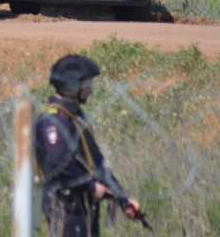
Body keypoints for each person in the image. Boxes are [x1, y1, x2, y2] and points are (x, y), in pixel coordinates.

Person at [35, 55, 143, 237]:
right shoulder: (53, 119)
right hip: (64, 204)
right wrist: (91, 187)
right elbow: (58, 162)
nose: (91, 90)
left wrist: (122, 198)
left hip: (83, 204)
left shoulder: (76, 117)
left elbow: (97, 163)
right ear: (72, 86)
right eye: (88, 84)